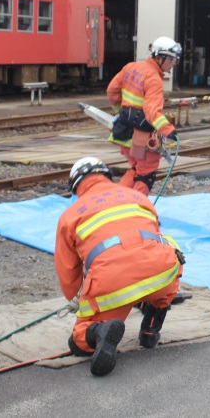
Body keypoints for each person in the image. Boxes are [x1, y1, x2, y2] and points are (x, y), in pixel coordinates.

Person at [55, 157, 184, 376]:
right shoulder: (138, 197)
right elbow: (154, 236)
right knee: (165, 254)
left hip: (114, 281)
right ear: (106, 175)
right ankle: (150, 330)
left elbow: (68, 273)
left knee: (78, 341)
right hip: (162, 273)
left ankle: (101, 330)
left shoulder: (70, 215)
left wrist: (81, 301)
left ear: (77, 185)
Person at [106, 37, 181, 196]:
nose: (173, 63)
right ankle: (138, 211)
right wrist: (167, 130)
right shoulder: (153, 78)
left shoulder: (130, 67)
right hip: (141, 138)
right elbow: (152, 110)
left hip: (123, 132)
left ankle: (119, 203)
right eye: (171, 58)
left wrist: (121, 111)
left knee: (135, 170)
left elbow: (112, 91)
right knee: (146, 174)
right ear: (158, 57)